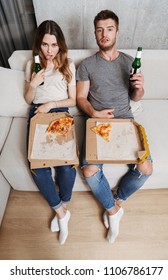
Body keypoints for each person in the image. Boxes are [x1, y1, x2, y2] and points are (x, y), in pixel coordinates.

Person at [76, 10, 153, 243]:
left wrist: (140, 87)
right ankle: (113, 210)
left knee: (146, 168)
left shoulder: (129, 62)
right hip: (97, 122)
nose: (104, 34)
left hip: (125, 121)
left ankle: (118, 198)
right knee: (88, 170)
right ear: (95, 33)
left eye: (109, 29)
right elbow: (80, 98)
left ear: (117, 32)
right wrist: (94, 112)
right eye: (99, 29)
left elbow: (136, 97)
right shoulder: (87, 65)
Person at [24, 20, 76, 245]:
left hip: (60, 112)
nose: (49, 51)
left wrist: (51, 104)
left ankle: (64, 204)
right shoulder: (31, 65)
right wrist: (34, 84)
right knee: (36, 166)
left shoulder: (68, 64)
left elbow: (73, 100)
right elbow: (27, 99)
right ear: (39, 45)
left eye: (54, 45)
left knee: (66, 164)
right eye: (45, 45)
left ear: (60, 45)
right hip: (36, 115)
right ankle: (61, 213)